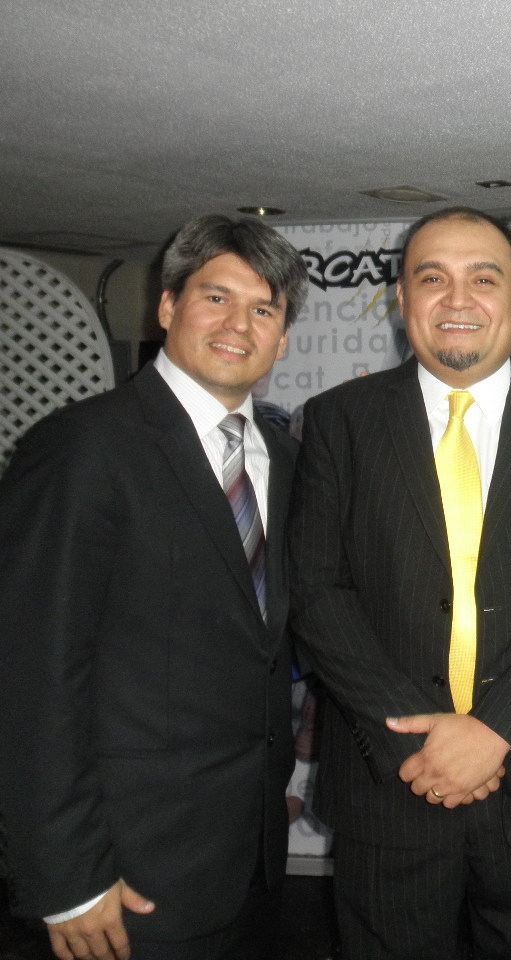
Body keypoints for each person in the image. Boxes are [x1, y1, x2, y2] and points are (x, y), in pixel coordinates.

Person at [287, 206, 511, 960]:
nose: (457, 300)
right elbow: (316, 591)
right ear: (401, 298)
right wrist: (421, 739)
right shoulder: (337, 421)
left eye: (484, 279)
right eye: (432, 279)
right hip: (391, 782)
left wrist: (498, 729)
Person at [0, 214, 308, 960]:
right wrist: (66, 877)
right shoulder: (82, 447)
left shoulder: (285, 458)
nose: (238, 325)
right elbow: (29, 675)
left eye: (264, 310)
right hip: (122, 872)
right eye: (216, 298)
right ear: (167, 307)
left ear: (282, 339)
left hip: (249, 865)